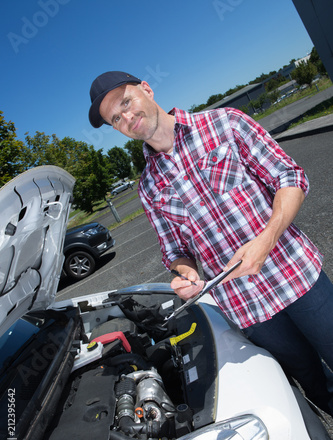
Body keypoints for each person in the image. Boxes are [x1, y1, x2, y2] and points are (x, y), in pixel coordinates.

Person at [89, 71, 333, 415]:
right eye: (116, 118)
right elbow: (175, 251)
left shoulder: (225, 124)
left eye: (126, 102)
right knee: (314, 383)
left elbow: (289, 176)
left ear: (146, 89)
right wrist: (186, 275)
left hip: (295, 274)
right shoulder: (148, 186)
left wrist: (267, 238)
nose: (127, 117)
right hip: (249, 308)